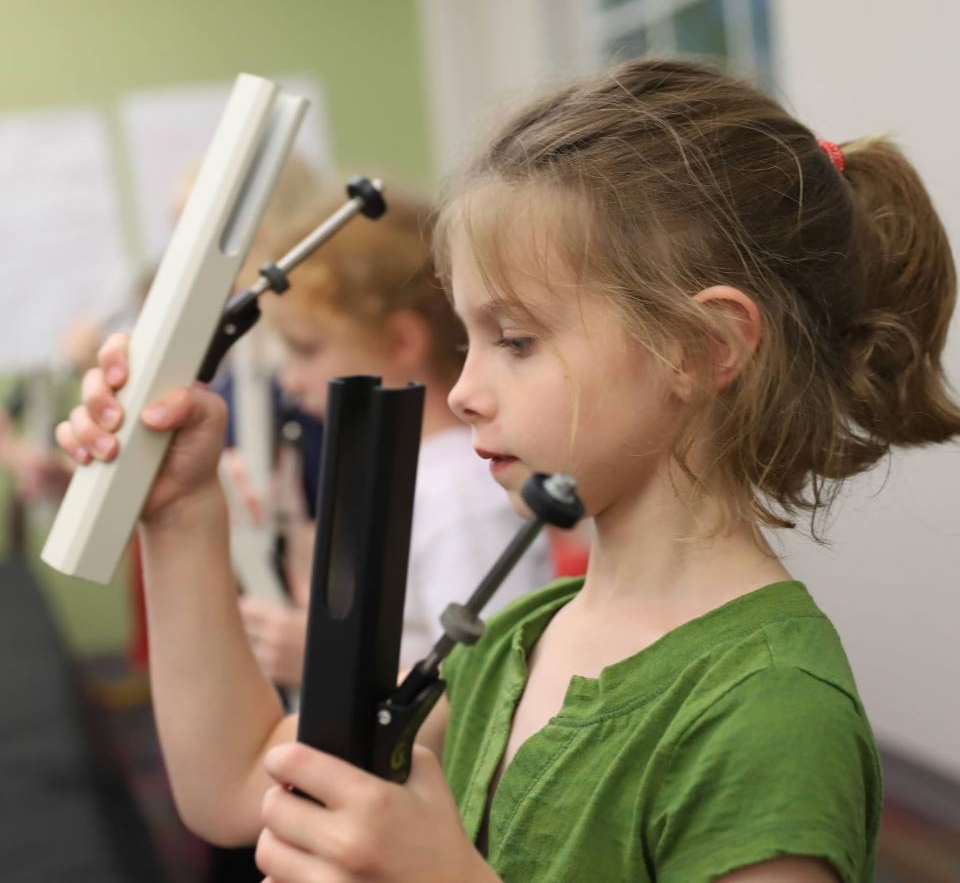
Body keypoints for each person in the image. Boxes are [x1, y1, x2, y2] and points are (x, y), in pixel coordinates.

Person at [56, 57, 960, 882]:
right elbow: (245, 782)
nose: (465, 390)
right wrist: (180, 512)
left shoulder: (771, 709)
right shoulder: (519, 635)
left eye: (516, 340)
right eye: (468, 338)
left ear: (703, 345)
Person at [231, 185, 553, 682]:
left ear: (402, 342)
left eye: (307, 348)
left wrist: (325, 663)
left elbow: (484, 688)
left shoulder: (457, 497)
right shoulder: (399, 473)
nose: (288, 379)